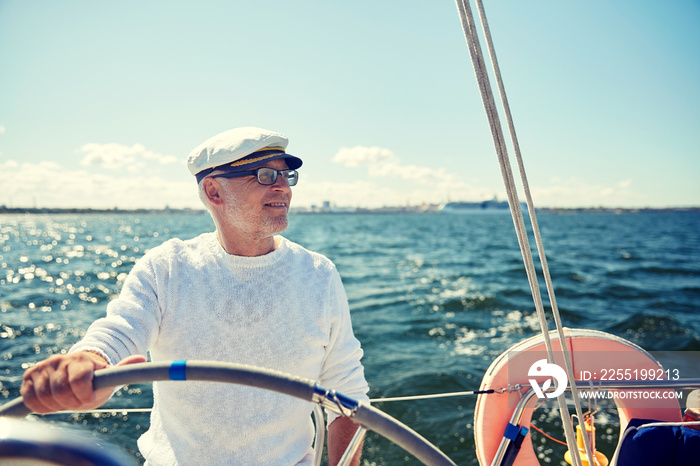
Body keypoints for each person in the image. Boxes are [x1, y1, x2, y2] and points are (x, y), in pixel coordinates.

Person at [20, 127, 370, 465]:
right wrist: (90, 361)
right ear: (214, 192)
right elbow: (119, 330)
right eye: (265, 175)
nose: (284, 188)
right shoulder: (167, 267)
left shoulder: (318, 274)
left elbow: (346, 390)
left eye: (286, 176)